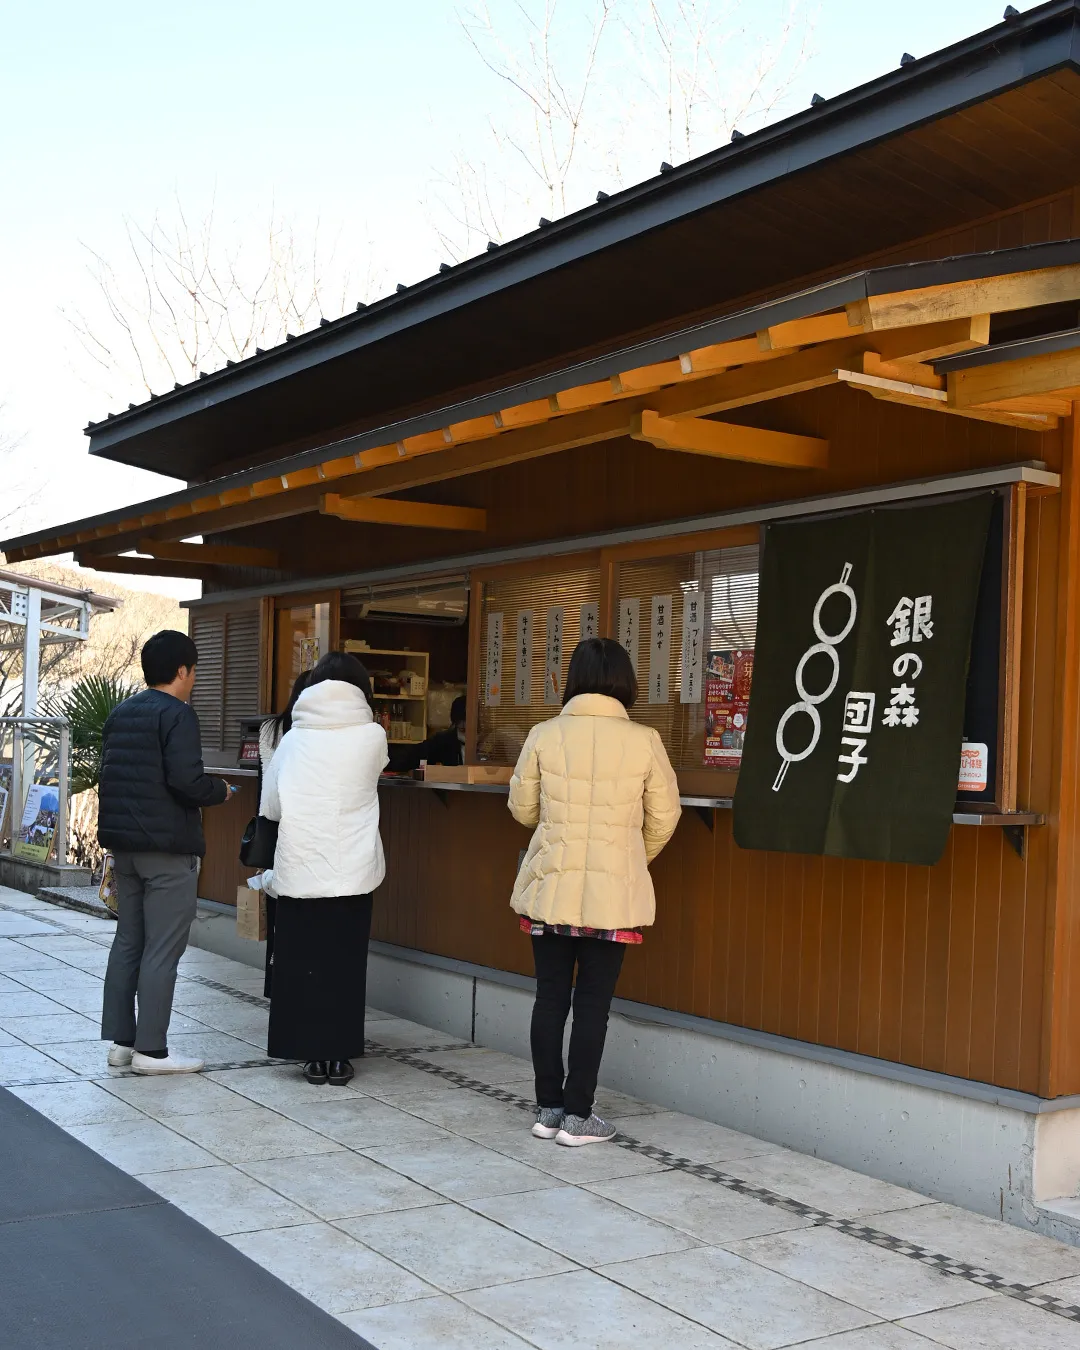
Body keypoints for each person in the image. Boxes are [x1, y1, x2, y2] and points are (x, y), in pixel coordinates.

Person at [509, 637, 681, 1146]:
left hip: (551, 887)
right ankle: (580, 1116)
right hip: (613, 897)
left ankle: (548, 1111)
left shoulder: (543, 733)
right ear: (626, 683)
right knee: (592, 1006)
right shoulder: (646, 739)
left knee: (548, 999)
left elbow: (521, 810)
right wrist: (628, 858)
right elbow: (665, 818)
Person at [99, 629, 234, 1075]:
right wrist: (222, 790)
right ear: (182, 671)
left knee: (129, 942)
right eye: (193, 671)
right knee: (163, 948)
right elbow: (186, 782)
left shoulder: (122, 713)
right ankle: (152, 1052)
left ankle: (123, 1043)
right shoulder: (178, 714)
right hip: (167, 850)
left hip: (125, 848)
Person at [259, 650, 388, 1086]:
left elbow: (272, 805)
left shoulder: (293, 739)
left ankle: (311, 1056)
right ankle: (339, 1056)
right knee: (345, 965)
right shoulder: (373, 737)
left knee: (303, 964)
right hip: (352, 867)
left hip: (299, 865)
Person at [254, 670, 312, 998]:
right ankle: (299, 980)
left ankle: (275, 981)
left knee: (278, 907)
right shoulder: (312, 733)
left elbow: (266, 782)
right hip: (302, 826)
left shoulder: (271, 728)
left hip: (273, 824)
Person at [386, 694, 466, 772]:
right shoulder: (443, 741)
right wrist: (382, 759)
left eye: (465, 721)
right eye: (459, 722)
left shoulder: (477, 745)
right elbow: (413, 755)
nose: (462, 725)